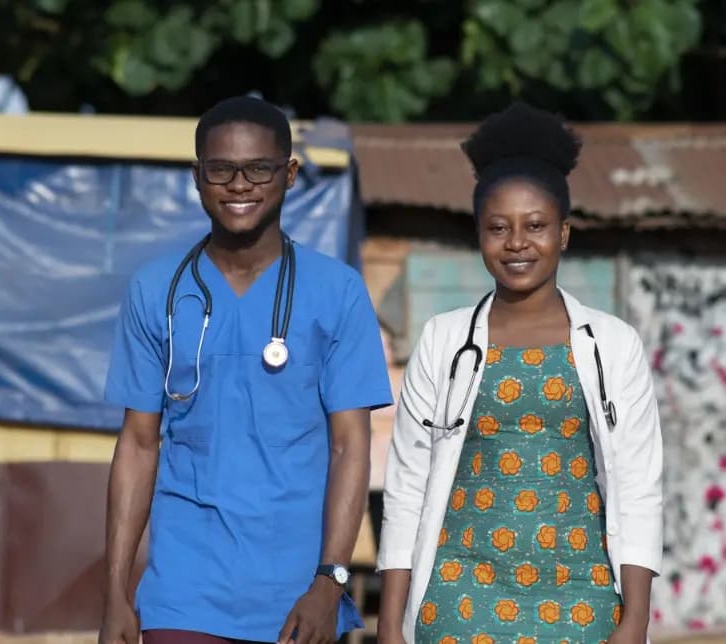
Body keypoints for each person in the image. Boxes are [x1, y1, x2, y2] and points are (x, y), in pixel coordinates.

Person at [100, 95, 393, 644]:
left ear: (289, 173)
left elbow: (350, 446)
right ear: (196, 177)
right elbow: (138, 445)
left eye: (259, 168)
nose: (240, 184)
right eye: (221, 169)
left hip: (295, 586)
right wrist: (115, 590)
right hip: (183, 588)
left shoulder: (337, 292)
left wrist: (330, 580)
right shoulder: (155, 290)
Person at [375, 102, 663, 644]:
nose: (516, 244)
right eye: (498, 228)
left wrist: (635, 619)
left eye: (536, 226)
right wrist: (390, 623)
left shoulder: (614, 344)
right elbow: (408, 485)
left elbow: (639, 483)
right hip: (460, 590)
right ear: (478, 235)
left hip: (583, 591)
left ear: (565, 234)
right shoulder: (443, 339)